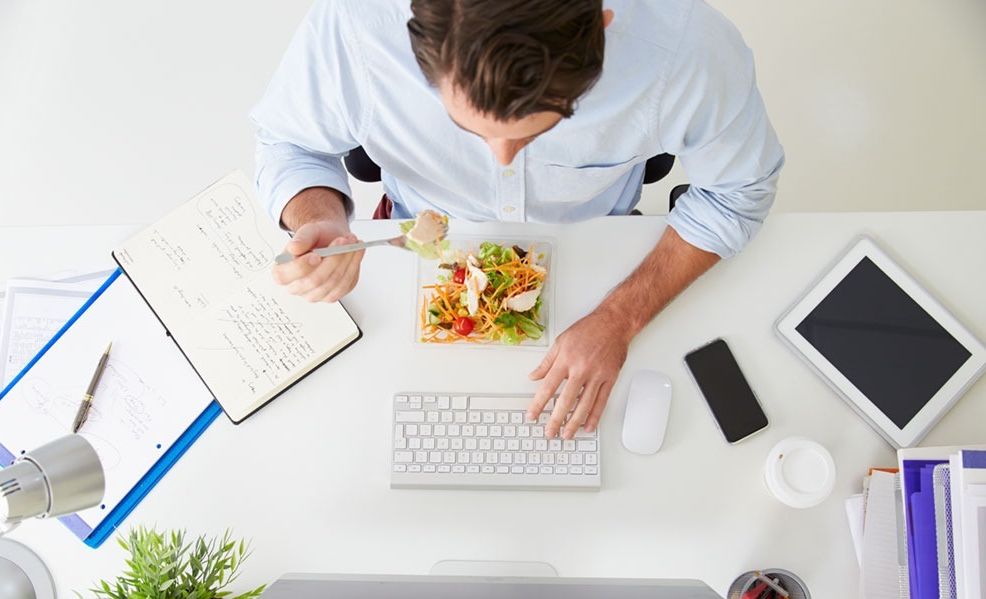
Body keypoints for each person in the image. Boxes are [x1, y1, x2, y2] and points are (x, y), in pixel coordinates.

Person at [251, 0, 784, 441]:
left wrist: (621, 318)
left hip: (599, 255)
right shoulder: (354, 29)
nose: (502, 161)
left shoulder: (688, 49)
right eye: (471, 131)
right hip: (411, 248)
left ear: (600, 25)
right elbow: (290, 143)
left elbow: (739, 192)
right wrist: (316, 212)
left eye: (535, 134)